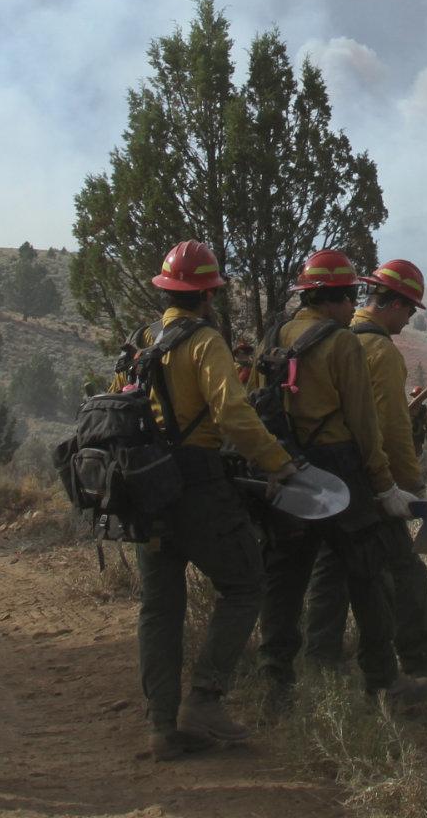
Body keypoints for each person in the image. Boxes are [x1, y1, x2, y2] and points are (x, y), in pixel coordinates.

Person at [136, 241, 298, 762]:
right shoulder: (205, 342)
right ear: (207, 295)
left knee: (160, 608)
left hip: (146, 487)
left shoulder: (146, 339)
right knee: (245, 583)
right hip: (198, 485)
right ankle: (204, 699)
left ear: (166, 290)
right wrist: (278, 462)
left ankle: (161, 726)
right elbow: (232, 414)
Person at [255, 250, 426, 702]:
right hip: (340, 468)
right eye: (351, 296)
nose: (355, 306)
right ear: (338, 296)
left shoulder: (278, 332)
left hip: (288, 466)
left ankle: (275, 683)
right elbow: (367, 424)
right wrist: (385, 483)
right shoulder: (342, 343)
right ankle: (383, 679)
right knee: (366, 575)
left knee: (287, 578)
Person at [302, 258, 427, 677]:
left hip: (324, 478)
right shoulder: (379, 351)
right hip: (369, 480)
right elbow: (392, 428)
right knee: (404, 569)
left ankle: (319, 662)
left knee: (331, 569)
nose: (410, 319)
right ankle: (418, 655)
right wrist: (408, 483)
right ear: (393, 304)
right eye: (410, 309)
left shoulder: (333, 337)